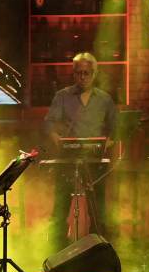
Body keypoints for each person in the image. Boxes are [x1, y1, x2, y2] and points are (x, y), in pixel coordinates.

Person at [44, 52, 117, 248]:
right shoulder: (63, 96)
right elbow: (49, 124)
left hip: (95, 162)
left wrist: (104, 145)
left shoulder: (104, 99)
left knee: (98, 211)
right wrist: (59, 142)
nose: (82, 77)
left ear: (94, 74)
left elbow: (116, 129)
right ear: (73, 74)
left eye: (86, 73)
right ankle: (56, 252)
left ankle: (98, 250)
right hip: (68, 161)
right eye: (78, 73)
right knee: (60, 211)